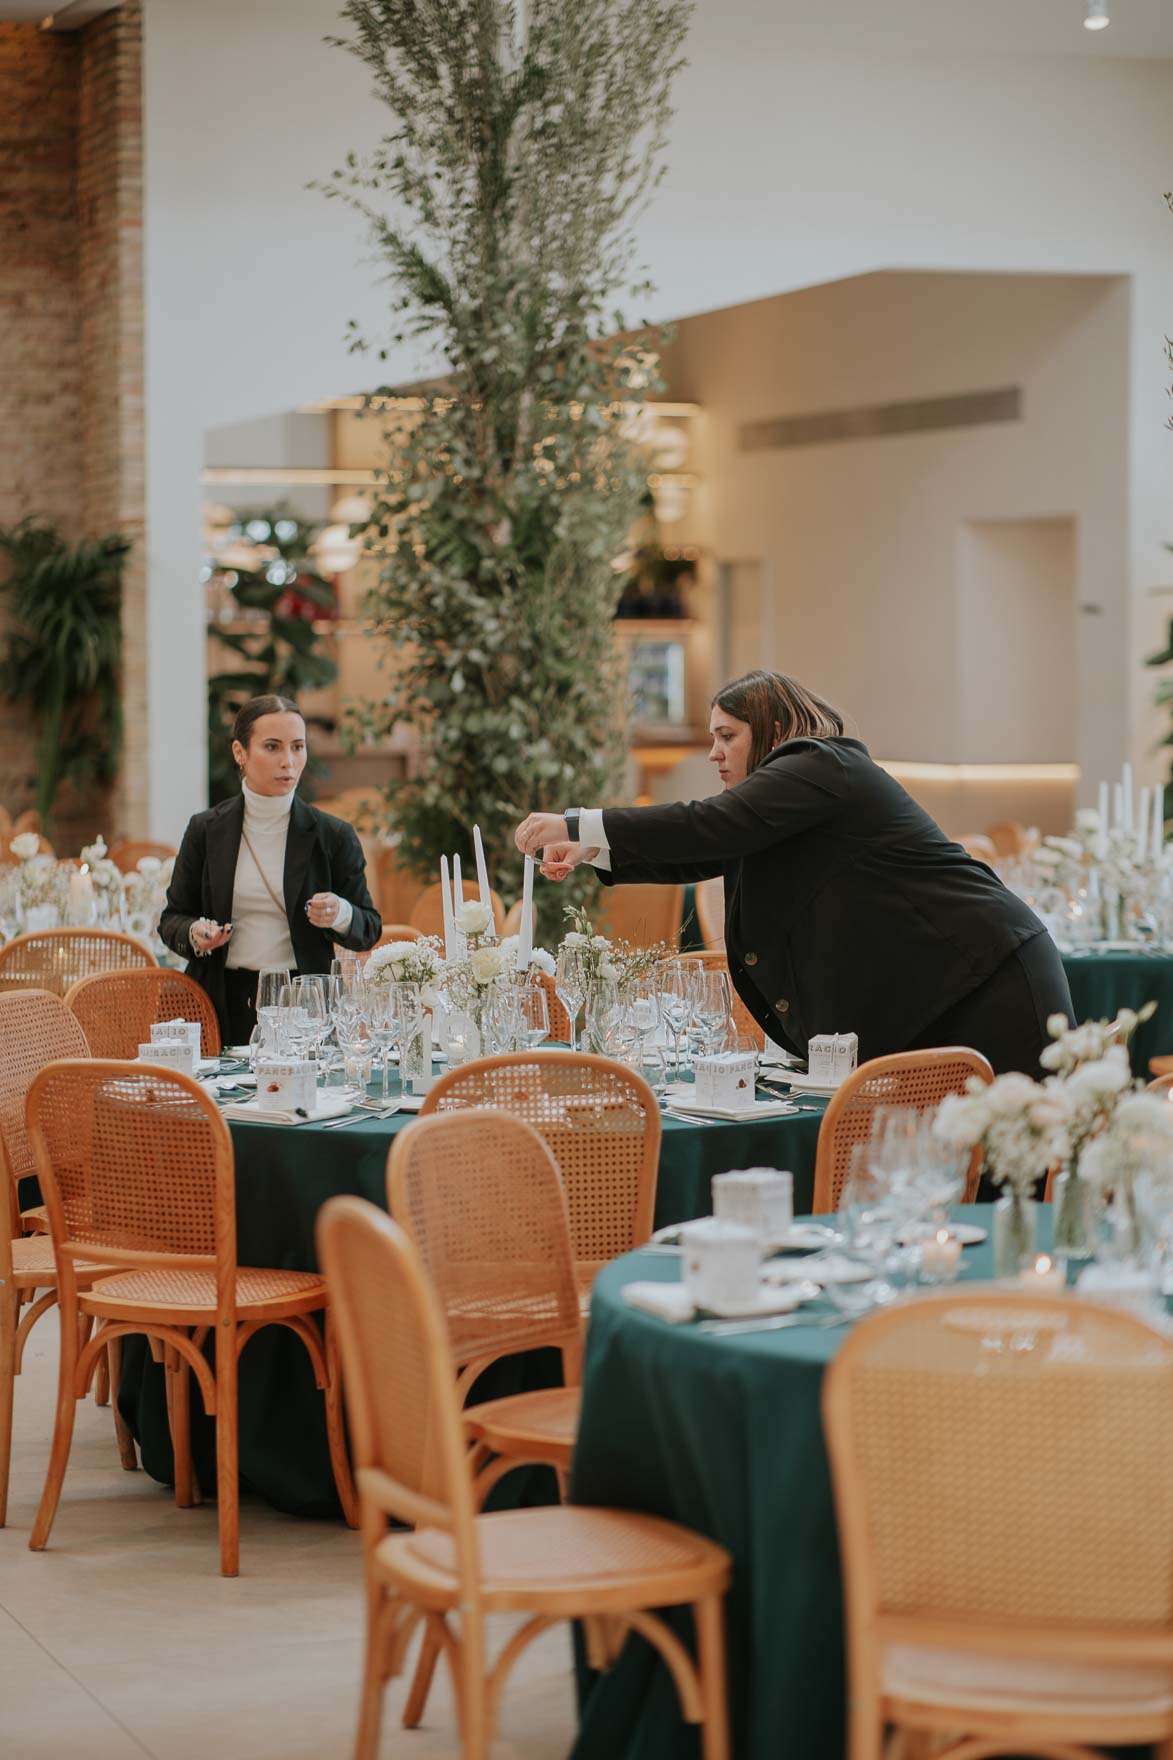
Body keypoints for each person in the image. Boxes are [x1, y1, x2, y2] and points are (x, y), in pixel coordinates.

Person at [515, 669, 1073, 1076]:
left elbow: (711, 825)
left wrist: (577, 822)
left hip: (992, 981)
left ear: (775, 728)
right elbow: (710, 849)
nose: (713, 753)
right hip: (949, 989)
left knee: (1005, 1175)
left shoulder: (822, 763)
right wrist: (594, 850)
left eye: (727, 735)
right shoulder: (784, 808)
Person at [160, 695, 381, 1045]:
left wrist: (339, 912)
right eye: (273, 747)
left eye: (297, 747)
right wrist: (195, 933)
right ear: (240, 752)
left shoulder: (333, 835)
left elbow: (369, 928)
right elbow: (172, 918)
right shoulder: (205, 830)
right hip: (220, 1001)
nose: (288, 762)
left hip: (303, 1003)